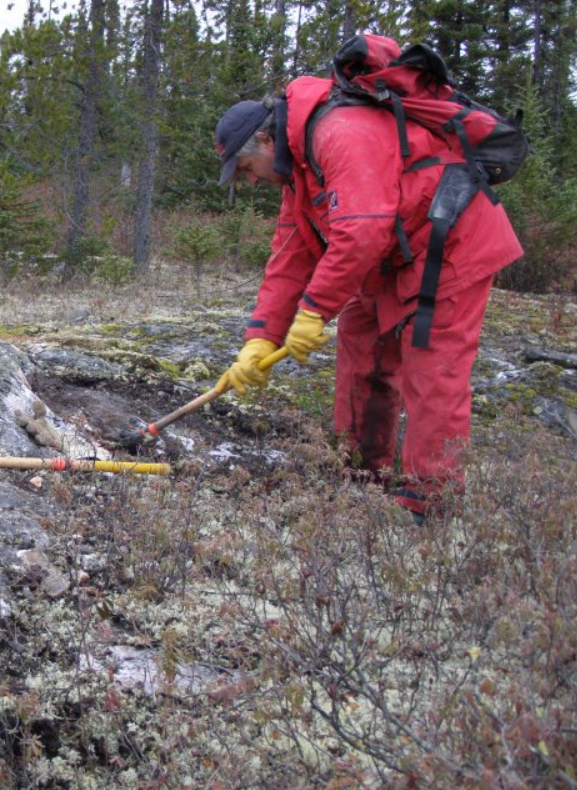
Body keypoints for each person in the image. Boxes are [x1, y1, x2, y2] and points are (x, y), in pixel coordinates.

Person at [213, 76, 523, 520]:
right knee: (361, 354)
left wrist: (314, 311)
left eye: (246, 169)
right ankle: (361, 475)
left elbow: (361, 232)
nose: (250, 181)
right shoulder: (298, 175)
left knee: (431, 369)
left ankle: (428, 503)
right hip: (389, 261)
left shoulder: (339, 132)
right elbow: (287, 262)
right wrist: (259, 339)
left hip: (448, 244)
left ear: (264, 139)